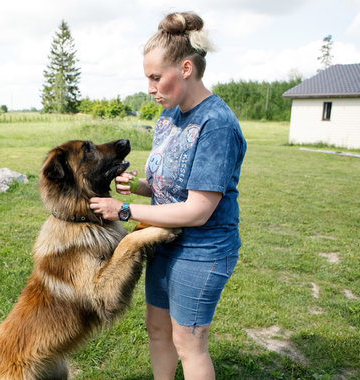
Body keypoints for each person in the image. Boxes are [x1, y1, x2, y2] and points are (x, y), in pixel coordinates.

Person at [89, 11, 246, 380]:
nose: (150, 87)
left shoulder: (216, 125)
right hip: (161, 240)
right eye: (148, 77)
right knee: (158, 331)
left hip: (201, 249)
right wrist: (139, 188)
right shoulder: (168, 117)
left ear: (187, 68)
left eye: (156, 77)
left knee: (188, 344)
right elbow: (166, 189)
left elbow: (197, 210)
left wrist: (123, 209)